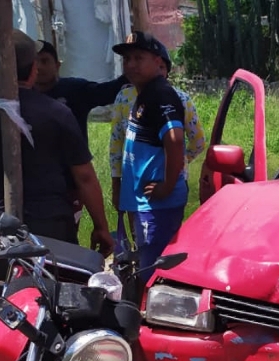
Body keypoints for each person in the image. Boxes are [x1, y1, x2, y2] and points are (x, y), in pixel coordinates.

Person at [0, 29, 113, 255]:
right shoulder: (56, 112)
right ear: (33, 70)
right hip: (51, 224)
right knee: (54, 286)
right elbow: (84, 176)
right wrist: (101, 227)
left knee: (6, 286)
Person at [107, 54, 204, 256]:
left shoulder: (177, 99)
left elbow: (194, 142)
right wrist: (117, 186)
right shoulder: (124, 98)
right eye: (127, 60)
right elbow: (117, 144)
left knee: (157, 248)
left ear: (164, 69)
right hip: (134, 188)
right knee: (147, 248)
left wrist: (175, 165)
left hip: (159, 189)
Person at [112, 32, 187, 271]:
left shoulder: (160, 94)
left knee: (152, 271)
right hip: (145, 203)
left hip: (157, 206)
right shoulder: (145, 93)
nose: (131, 64)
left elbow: (175, 140)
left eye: (138, 57)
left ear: (158, 62)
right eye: (127, 59)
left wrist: (166, 185)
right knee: (145, 263)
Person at [35, 40, 129, 140]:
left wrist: (132, 70)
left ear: (57, 65)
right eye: (34, 62)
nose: (39, 67)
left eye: (44, 61)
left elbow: (109, 91)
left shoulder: (75, 90)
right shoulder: (21, 96)